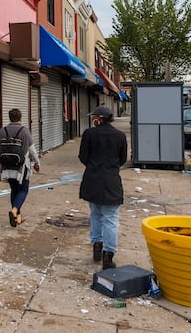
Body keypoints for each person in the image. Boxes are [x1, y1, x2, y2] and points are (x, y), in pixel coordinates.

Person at [79, 105, 128, 269]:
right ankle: (108, 255)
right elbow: (122, 160)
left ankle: (97, 247)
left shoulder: (89, 134)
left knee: (95, 214)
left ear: (99, 118)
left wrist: (94, 166)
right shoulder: (120, 136)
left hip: (92, 180)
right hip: (111, 181)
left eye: (94, 117)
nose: (93, 120)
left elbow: (83, 157)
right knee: (111, 218)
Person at [0, 108, 40, 227]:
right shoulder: (25, 131)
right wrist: (37, 163)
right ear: (20, 118)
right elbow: (32, 150)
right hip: (22, 167)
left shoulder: (2, 131)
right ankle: (15, 210)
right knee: (23, 190)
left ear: (10, 117)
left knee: (14, 190)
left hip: (7, 166)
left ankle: (18, 218)